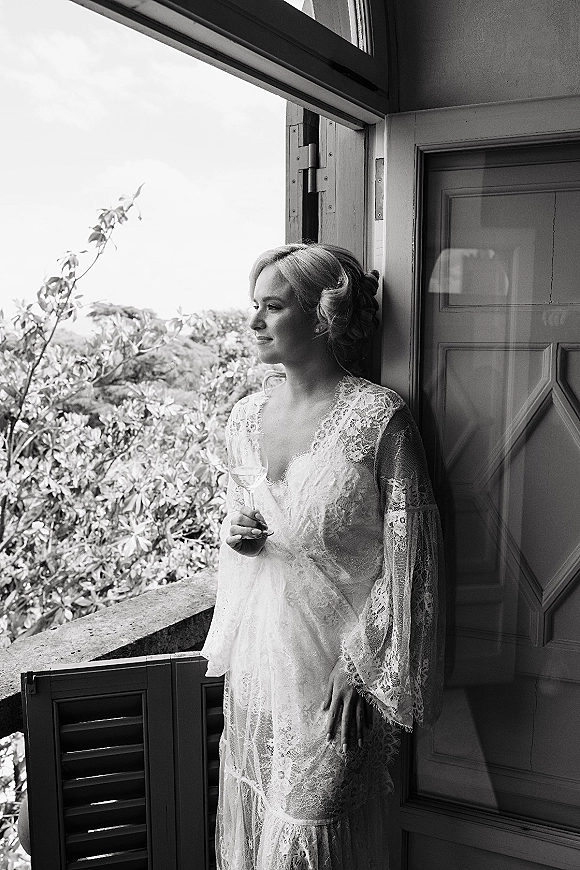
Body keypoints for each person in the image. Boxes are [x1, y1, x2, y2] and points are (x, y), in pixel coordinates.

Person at [201, 243, 444, 870]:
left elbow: (410, 557)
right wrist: (237, 533)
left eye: (273, 307)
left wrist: (363, 665)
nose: (255, 321)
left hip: (340, 675)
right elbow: (241, 517)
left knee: (311, 839)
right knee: (261, 824)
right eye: (254, 305)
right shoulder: (245, 417)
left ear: (323, 315)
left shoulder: (377, 418)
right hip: (262, 666)